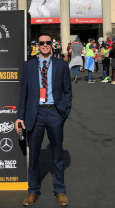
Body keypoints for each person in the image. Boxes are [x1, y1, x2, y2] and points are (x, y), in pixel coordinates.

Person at [15, 32, 72, 206]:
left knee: (57, 154)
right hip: (36, 114)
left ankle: (60, 190)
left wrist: (64, 111)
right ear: (37, 46)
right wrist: (20, 117)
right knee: (34, 155)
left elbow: (67, 91)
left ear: (52, 44)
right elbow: (23, 93)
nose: (45, 45)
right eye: (42, 43)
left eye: (48, 42)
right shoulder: (29, 65)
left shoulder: (61, 65)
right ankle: (33, 190)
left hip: (55, 113)